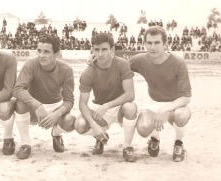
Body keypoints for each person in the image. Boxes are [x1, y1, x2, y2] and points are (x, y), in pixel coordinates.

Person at [130, 26, 192, 162]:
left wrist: (165, 109)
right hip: (154, 102)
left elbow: (186, 96)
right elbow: (117, 66)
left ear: (165, 44)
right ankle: (155, 138)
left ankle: (179, 144)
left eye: (157, 42)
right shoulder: (139, 60)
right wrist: (95, 58)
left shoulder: (178, 63)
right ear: (144, 43)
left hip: (175, 105)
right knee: (143, 128)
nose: (153, 47)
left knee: (181, 115)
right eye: (149, 43)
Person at [75, 33, 138, 162]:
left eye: (104, 49)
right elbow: (82, 103)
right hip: (100, 110)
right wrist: (93, 125)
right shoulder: (89, 72)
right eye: (96, 50)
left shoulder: (122, 64)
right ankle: (101, 138)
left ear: (112, 50)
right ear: (92, 50)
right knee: (80, 125)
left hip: (119, 107)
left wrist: (107, 105)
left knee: (130, 108)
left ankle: (127, 147)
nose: (100, 54)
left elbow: (130, 94)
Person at [13, 34, 76, 159]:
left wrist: (56, 114)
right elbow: (17, 89)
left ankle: (56, 134)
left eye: (46, 52)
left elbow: (69, 101)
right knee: (19, 104)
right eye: (39, 51)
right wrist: (36, 104)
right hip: (34, 107)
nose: (41, 55)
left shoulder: (66, 70)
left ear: (57, 54)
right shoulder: (30, 64)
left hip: (54, 106)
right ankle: (25, 143)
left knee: (70, 121)